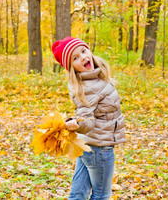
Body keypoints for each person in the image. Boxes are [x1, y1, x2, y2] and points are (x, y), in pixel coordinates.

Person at [51, 37, 126, 199]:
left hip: (87, 146)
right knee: (101, 196)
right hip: (99, 148)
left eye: (83, 51)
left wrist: (75, 121)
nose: (83, 57)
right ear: (72, 68)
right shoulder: (88, 87)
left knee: (77, 194)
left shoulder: (92, 78)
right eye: (75, 58)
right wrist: (78, 125)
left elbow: (86, 113)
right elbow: (87, 120)